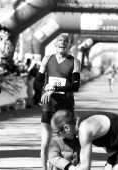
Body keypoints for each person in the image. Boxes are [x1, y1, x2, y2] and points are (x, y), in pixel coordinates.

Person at [34, 33, 81, 170]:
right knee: (45, 144)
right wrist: (45, 87)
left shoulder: (74, 62)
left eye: (66, 41)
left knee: (66, 144)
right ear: (55, 44)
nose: (63, 43)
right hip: (48, 108)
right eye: (60, 40)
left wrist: (54, 88)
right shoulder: (47, 59)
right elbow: (36, 83)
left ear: (69, 45)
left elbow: (75, 86)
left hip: (66, 111)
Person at [51, 109, 118, 170]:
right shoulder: (84, 123)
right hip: (117, 148)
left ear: (66, 128)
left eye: (58, 132)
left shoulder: (85, 129)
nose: (59, 136)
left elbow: (85, 167)